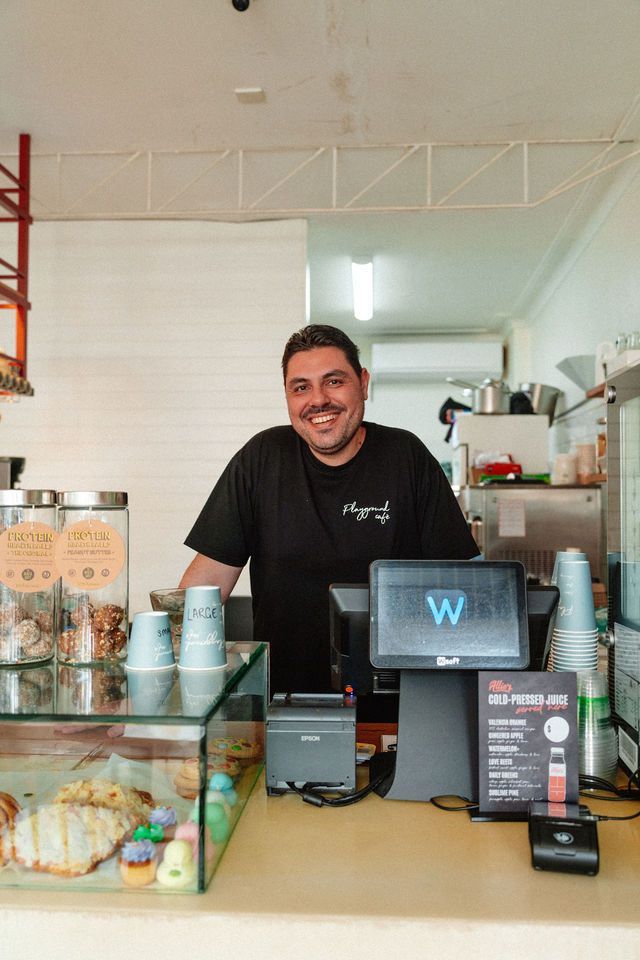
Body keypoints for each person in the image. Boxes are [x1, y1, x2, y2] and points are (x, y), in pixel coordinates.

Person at [180, 324, 479, 695]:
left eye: (334, 381)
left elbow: (465, 587)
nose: (318, 400)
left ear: (363, 383)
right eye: (301, 387)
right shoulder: (261, 458)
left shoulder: (406, 457)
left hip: (397, 700)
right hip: (282, 701)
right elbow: (204, 587)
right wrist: (163, 676)